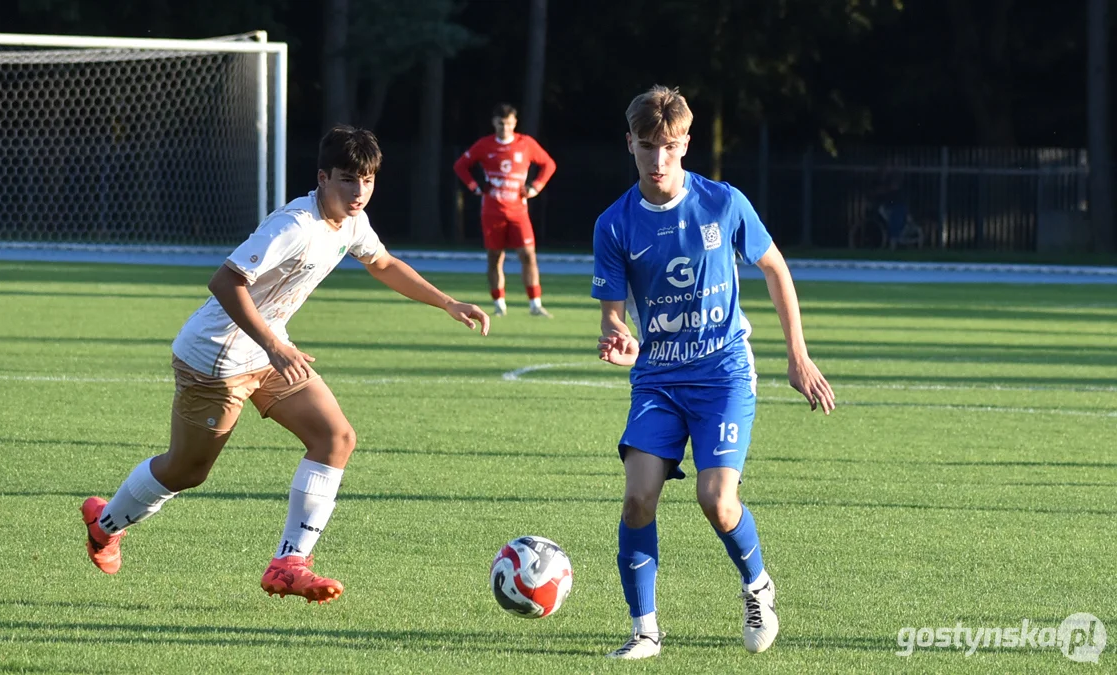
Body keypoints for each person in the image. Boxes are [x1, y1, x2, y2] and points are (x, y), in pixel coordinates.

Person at [80, 125, 490, 604]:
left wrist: (447, 303)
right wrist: (274, 345)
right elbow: (225, 282)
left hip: (270, 349)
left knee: (335, 437)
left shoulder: (353, 221)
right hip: (215, 357)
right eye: (347, 180)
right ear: (322, 178)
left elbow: (382, 263)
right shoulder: (294, 225)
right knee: (187, 470)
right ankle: (104, 524)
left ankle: (290, 562)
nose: (359, 192)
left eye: (369, 180)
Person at [590, 86, 836, 659]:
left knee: (717, 500)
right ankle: (645, 630)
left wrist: (796, 356)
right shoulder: (615, 224)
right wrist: (619, 340)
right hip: (657, 378)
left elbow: (775, 268)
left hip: (723, 371)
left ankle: (757, 587)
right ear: (629, 143)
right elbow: (612, 317)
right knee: (637, 499)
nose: (658, 161)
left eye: (670, 147)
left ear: (686, 144)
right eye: (648, 146)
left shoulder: (723, 204)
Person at [453, 103, 557, 317]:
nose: (505, 127)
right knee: (495, 258)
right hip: (492, 211)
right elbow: (460, 166)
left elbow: (548, 164)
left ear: (515, 123)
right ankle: (499, 304)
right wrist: (475, 187)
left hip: (518, 211)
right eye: (501, 123)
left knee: (528, 256)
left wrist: (535, 187)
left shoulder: (525, 144)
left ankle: (535, 304)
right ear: (494, 123)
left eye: (509, 123)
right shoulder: (485, 145)